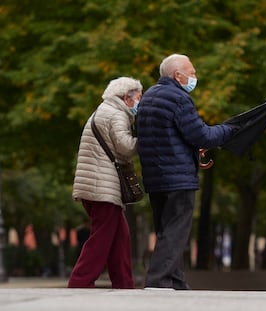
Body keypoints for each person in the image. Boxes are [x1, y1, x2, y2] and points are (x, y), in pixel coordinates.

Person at [136, 54, 236, 289]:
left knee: (165, 229)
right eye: (191, 73)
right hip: (177, 176)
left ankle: (176, 281)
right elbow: (201, 136)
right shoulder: (179, 99)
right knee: (176, 231)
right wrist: (229, 130)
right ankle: (158, 280)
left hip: (155, 176)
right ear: (177, 75)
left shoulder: (149, 97)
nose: (194, 77)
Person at [68, 77, 143, 289]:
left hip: (96, 185)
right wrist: (147, 139)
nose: (140, 102)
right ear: (126, 98)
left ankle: (124, 284)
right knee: (101, 238)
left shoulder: (104, 110)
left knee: (119, 237)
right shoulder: (116, 114)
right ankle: (80, 282)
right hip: (102, 187)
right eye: (138, 98)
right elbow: (126, 147)